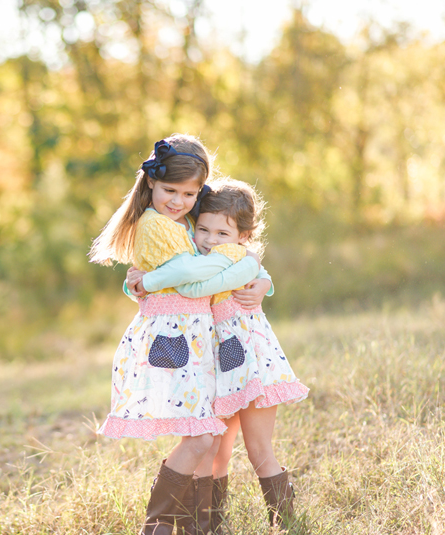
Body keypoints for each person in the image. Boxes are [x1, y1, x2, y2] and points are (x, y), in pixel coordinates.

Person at [89, 134, 268, 535]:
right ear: (150, 182)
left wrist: (260, 273)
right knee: (203, 434)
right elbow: (192, 274)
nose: (178, 200)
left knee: (205, 432)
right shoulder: (156, 225)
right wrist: (245, 259)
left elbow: (211, 256)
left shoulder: (183, 221)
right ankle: (158, 526)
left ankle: (188, 526)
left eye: (189, 193)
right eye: (170, 189)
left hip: (197, 339)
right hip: (177, 340)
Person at [128, 177, 309, 531]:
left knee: (258, 450)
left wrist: (262, 277)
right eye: (204, 230)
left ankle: (287, 523)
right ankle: (207, 524)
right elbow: (179, 276)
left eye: (222, 233)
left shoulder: (237, 258)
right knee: (214, 452)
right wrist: (136, 280)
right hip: (215, 364)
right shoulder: (201, 255)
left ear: (243, 235)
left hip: (250, 361)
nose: (211, 240)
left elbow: (194, 285)